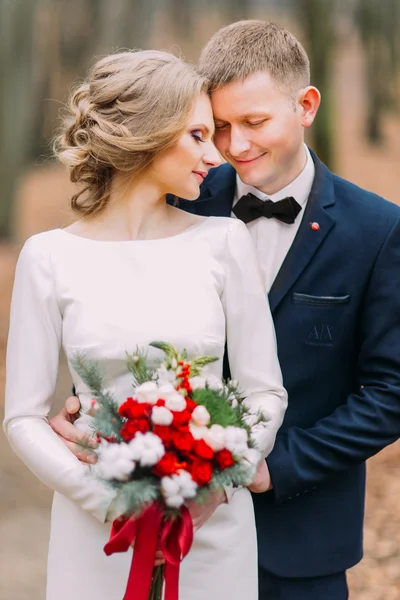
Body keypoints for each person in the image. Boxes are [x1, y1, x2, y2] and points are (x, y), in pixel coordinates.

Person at [51, 20, 400, 600]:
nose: (235, 146)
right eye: (219, 127)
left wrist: (271, 468)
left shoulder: (378, 230)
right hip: (165, 528)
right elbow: (125, 323)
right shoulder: (178, 197)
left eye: (255, 122)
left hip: (302, 535)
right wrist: (96, 405)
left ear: (307, 105)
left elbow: (391, 391)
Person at [3, 49, 287, 600]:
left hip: (211, 521)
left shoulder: (224, 241)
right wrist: (109, 498)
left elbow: (264, 391)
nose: (215, 155)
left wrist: (216, 485)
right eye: (198, 135)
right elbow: (22, 417)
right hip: (97, 528)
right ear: (148, 133)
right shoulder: (49, 257)